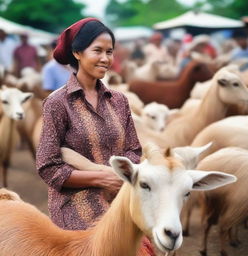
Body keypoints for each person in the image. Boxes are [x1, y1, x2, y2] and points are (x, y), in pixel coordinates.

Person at [35, 17, 155, 251]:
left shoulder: (119, 100)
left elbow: (133, 150)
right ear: (77, 53)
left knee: (152, 246)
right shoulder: (58, 103)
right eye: (97, 50)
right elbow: (48, 167)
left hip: (121, 196)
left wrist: (115, 176)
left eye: (109, 52)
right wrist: (100, 178)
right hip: (75, 202)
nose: (105, 58)